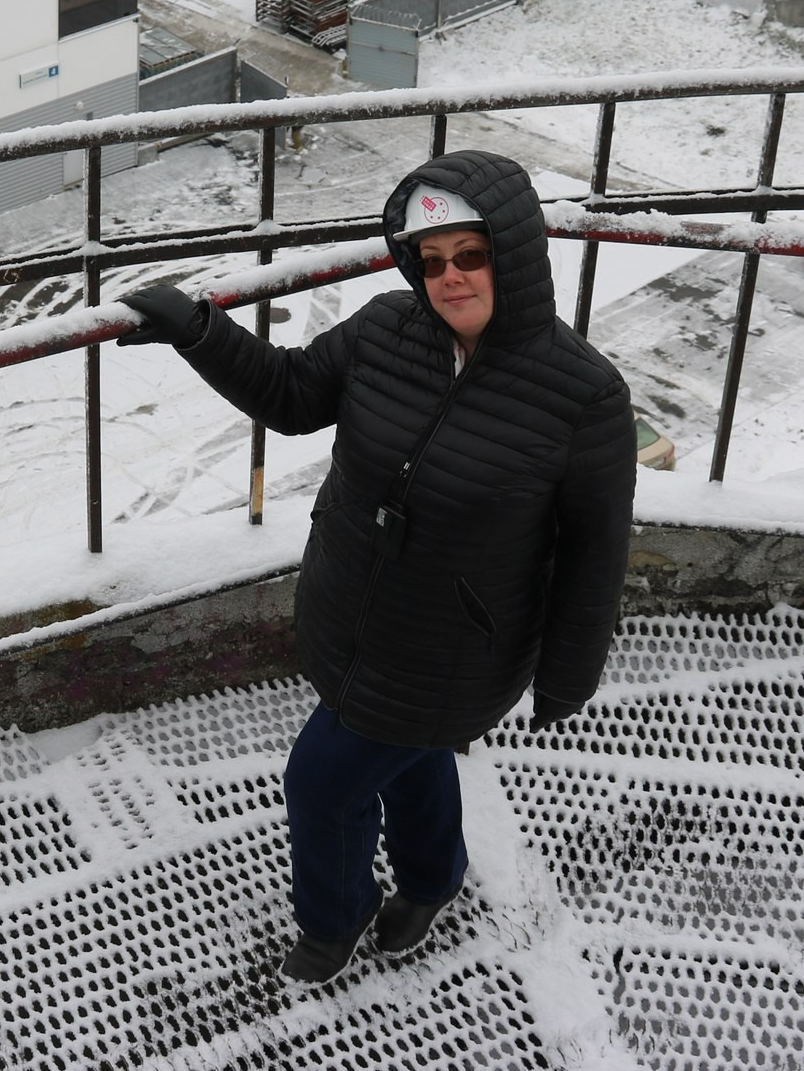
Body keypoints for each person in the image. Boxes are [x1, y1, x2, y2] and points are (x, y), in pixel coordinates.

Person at [119, 150, 635, 983]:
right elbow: (291, 397)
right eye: (431, 261)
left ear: (514, 252)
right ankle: (433, 877)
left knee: (321, 784)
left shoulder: (584, 397)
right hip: (348, 608)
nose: (450, 278)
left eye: (470, 254)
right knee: (414, 754)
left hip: (450, 653)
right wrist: (197, 329)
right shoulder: (385, 328)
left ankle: (337, 916)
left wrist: (565, 680)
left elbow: (593, 557)